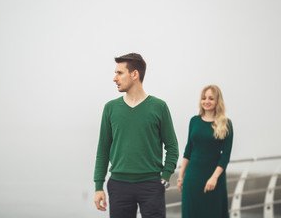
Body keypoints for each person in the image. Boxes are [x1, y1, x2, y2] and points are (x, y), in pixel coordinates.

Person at [93, 53, 179, 218]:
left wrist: (166, 176)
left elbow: (172, 146)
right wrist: (98, 187)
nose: (114, 78)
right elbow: (103, 150)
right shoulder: (110, 108)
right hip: (118, 185)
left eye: (119, 73)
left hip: (151, 185)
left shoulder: (159, 107)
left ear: (134, 74)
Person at [177, 85, 233, 218]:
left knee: (213, 213)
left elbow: (225, 156)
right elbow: (188, 150)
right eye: (204, 98)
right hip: (192, 177)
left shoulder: (226, 123)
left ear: (217, 101)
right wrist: (181, 176)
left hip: (214, 178)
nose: (206, 101)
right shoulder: (194, 121)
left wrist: (214, 178)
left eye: (211, 98)